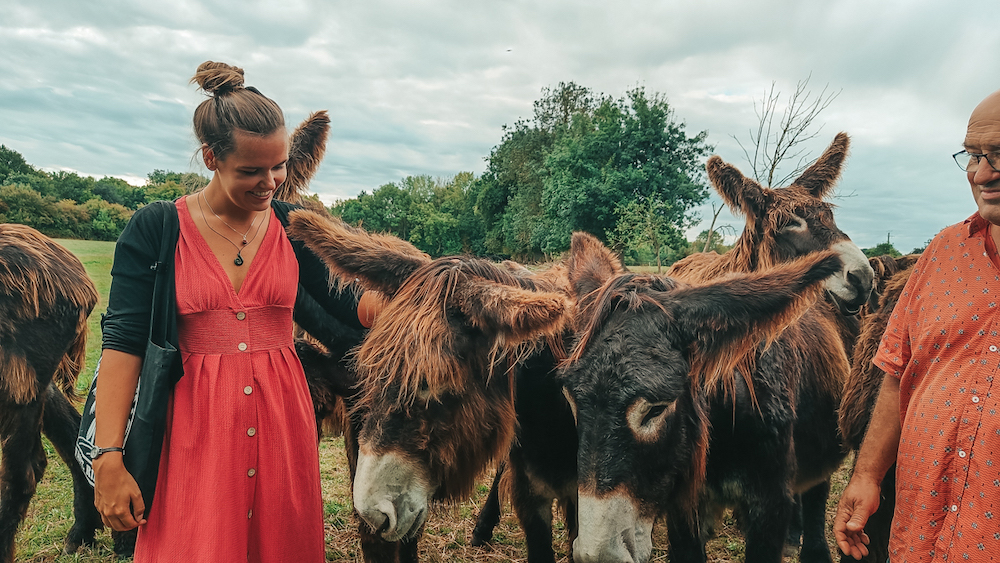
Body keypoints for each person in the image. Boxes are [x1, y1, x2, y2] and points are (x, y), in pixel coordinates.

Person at [92, 61, 378, 562]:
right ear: (210, 158)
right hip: (191, 430)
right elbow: (122, 342)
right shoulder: (156, 228)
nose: (270, 182)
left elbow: (353, 305)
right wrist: (109, 458)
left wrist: (419, 291)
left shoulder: (295, 228)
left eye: (279, 165)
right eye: (251, 170)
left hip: (283, 427)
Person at [835, 88, 1000, 562]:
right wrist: (866, 475)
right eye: (972, 156)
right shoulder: (944, 253)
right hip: (921, 533)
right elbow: (896, 374)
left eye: (999, 155)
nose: (981, 173)